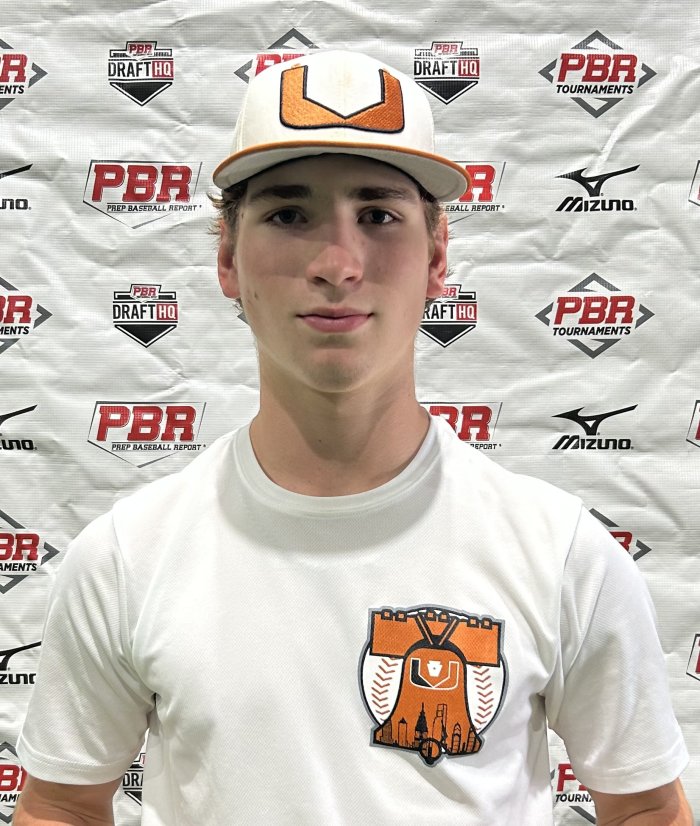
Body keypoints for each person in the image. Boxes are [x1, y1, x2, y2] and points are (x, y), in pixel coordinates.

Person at [14, 50, 692, 826]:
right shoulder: (129, 556)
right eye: (288, 215)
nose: (337, 265)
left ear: (437, 257)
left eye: (378, 216)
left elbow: (646, 810)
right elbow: (61, 808)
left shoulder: (559, 551)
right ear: (228, 258)